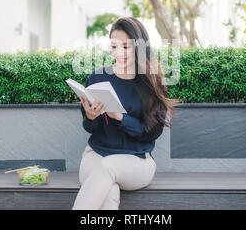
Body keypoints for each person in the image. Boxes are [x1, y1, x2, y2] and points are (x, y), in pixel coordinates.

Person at [72, 17, 180, 210]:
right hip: (96, 155)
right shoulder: (98, 77)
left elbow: (153, 132)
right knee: (109, 191)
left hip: (137, 161)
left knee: (107, 168)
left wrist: (120, 117)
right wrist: (90, 116)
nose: (118, 53)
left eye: (125, 47)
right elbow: (89, 128)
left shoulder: (151, 82)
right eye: (114, 46)